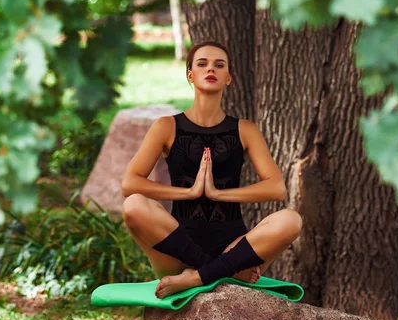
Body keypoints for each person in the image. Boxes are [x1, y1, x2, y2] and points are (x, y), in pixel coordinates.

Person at [121, 41, 303, 298]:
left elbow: (276, 187)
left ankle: (198, 276)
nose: (211, 69)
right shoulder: (166, 126)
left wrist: (218, 193)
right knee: (134, 205)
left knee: (291, 219)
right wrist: (190, 192)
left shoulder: (245, 129)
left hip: (233, 247)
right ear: (190, 75)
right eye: (202, 64)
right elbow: (130, 183)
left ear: (228, 77)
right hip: (179, 248)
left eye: (219, 65)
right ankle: (217, 270)